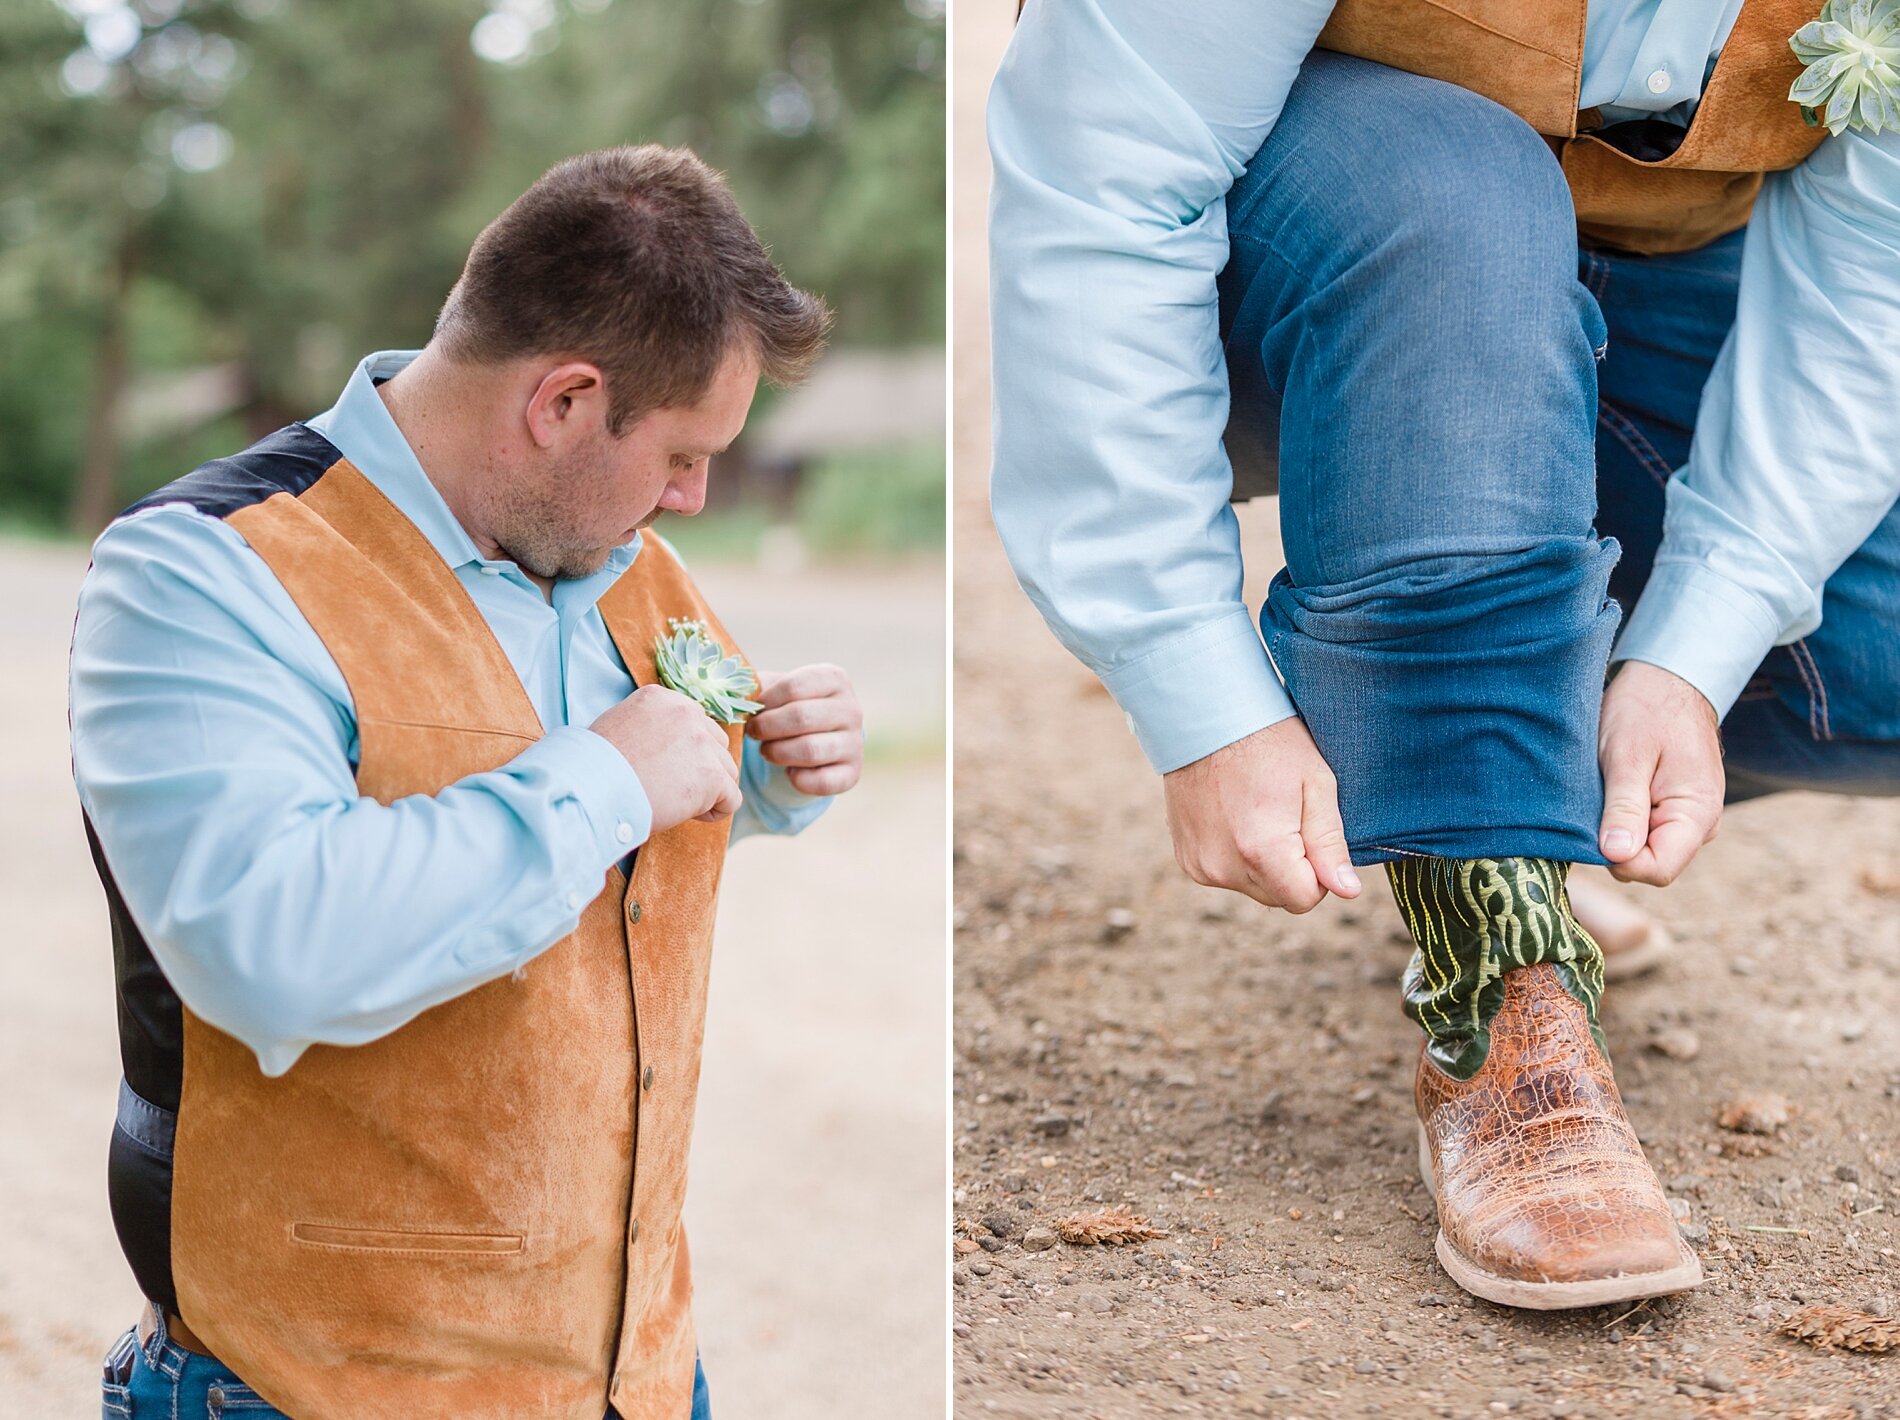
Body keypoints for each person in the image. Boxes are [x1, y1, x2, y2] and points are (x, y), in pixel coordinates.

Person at [988, 0, 1900, 1309]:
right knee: (1457, 198)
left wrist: (1692, 652)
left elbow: (1868, 278)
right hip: (1333, 232)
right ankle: (1499, 971)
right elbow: (1105, 180)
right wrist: (1189, 683)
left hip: (1652, 264)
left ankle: (1501, 795)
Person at [72, 145, 864, 1418]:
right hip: (301, 1386)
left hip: (640, 1378)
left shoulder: (619, 555)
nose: (694, 498)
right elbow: (271, 945)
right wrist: (605, 777)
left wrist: (768, 777)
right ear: (561, 402)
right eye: (679, 454)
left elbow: (630, 824)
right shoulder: (202, 570)